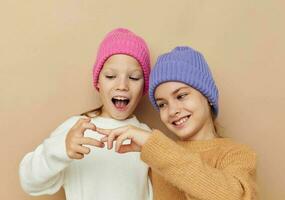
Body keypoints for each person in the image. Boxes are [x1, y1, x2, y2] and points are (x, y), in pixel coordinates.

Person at [99, 46, 257, 200]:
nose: (172, 110)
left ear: (207, 95)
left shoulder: (237, 154)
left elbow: (235, 196)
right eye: (162, 104)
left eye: (181, 96)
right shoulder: (156, 159)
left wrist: (154, 146)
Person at [19, 28, 153, 200]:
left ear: (144, 88)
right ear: (98, 81)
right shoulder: (76, 129)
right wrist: (62, 148)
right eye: (111, 76)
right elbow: (29, 181)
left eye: (134, 78)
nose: (122, 85)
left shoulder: (146, 136)